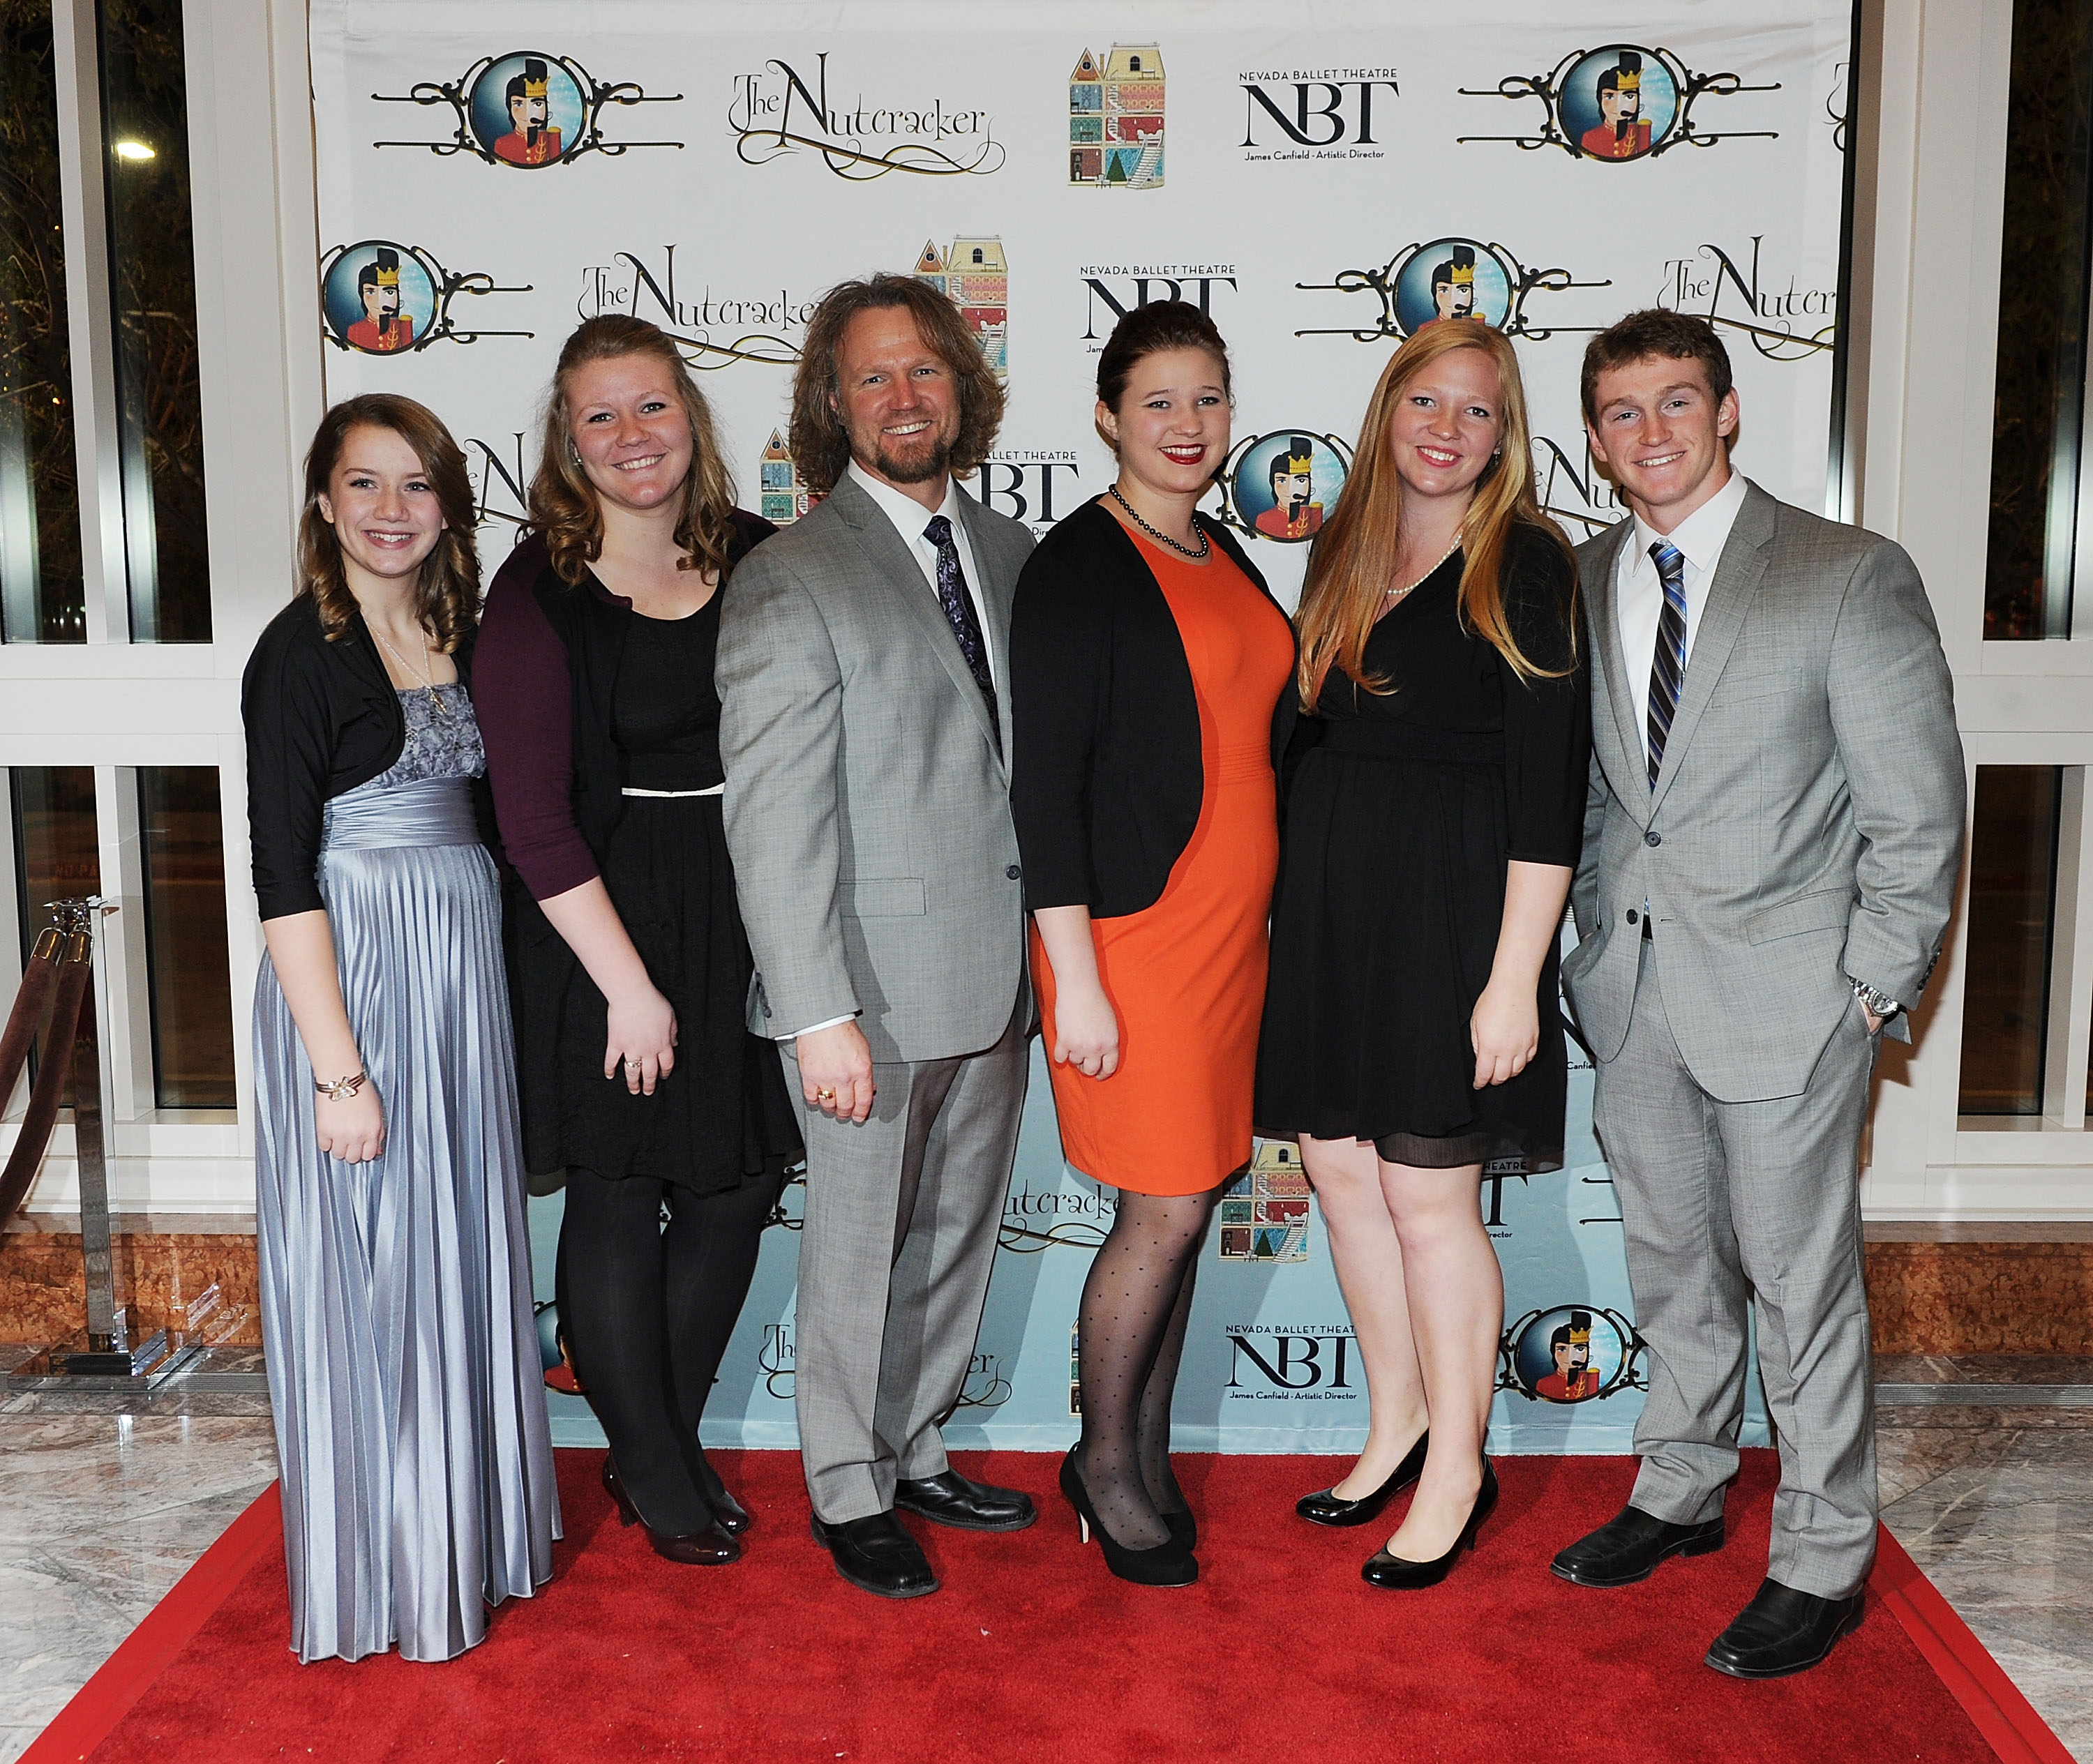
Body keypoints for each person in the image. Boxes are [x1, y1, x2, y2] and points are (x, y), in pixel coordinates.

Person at [1550, 310, 1963, 1678]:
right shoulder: (1590, 570)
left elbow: (1917, 811)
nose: (1651, 431)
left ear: (1729, 411)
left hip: (1794, 995)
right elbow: (1617, 796)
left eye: (1677, 402)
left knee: (1799, 1282)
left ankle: (1824, 1551)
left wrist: (1869, 986)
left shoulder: (1845, 574)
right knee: (1670, 1263)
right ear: (1597, 437)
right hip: (1635, 987)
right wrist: (1586, 957)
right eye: (1621, 411)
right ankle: (1679, 1483)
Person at [717, 273, 1037, 1601]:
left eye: (925, 370)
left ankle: (916, 1444)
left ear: (961, 385)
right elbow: (774, 819)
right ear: (830, 405)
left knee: (957, 1231)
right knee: (854, 1249)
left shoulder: (1017, 553)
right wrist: (815, 1009)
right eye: (872, 377)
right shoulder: (793, 575)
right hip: (864, 997)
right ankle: (848, 1488)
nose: (904, 396)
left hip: (995, 975)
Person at [1256, 322, 1589, 1590]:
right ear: (1388, 408)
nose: (1449, 428)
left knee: (1427, 1196)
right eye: (1427, 400)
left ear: (1509, 436)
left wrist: (1514, 978)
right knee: (1339, 1167)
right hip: (1335, 907)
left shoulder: (1531, 564)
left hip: (1456, 913)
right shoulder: (1345, 544)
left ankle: (1459, 1461)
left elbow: (1548, 791)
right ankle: (1393, 1418)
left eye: (1481, 411)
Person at [474, 315, 802, 1569]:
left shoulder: (765, 557)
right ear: (568, 440)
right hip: (595, 921)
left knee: (735, 1182)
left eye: (651, 406)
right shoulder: (538, 592)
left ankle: (646, 1431)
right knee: (619, 1186)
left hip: (746, 905)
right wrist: (629, 988)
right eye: (600, 415)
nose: (630, 436)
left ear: (692, 418)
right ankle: (660, 1460)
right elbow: (533, 815)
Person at [243, 393, 559, 1663]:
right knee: (377, 1276)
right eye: (362, 484)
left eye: (416, 484)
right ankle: (391, 1568)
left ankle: (467, 1534)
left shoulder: (455, 625)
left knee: (455, 1252)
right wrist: (338, 1072)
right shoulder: (299, 655)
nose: (389, 510)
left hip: (456, 985)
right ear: (323, 502)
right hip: (359, 984)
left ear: (449, 503)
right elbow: (281, 879)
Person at [1011, 301, 1296, 1586]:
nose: (1189, 426)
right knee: (1166, 1203)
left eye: (1210, 398)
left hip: (1233, 939)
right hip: (1134, 940)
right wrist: (1073, 976)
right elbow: (1046, 792)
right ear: (1108, 415)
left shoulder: (1221, 548)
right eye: (1161, 401)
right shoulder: (1077, 568)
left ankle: (1143, 1441)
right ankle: (1101, 1464)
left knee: (1189, 1202)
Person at [1581, 53, 1652, 160]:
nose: (1619, 106)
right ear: (1600, 99)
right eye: (1610, 97)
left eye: (1629, 97)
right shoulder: (1590, 137)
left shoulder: (1642, 132)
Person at [494, 59, 562, 165]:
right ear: (509, 107)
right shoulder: (502, 143)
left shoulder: (551, 138)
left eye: (537, 104)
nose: (527, 113)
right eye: (519, 104)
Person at [1254, 437, 1325, 539]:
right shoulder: (1264, 519)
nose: (1290, 489)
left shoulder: (1314, 515)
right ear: (1273, 483)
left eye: (1300, 481)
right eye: (1282, 481)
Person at [344, 249, 413, 354]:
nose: (380, 301)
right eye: (371, 292)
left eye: (389, 292)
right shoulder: (355, 330)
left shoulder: (403, 326)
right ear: (362, 295)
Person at [1535, 1312, 1600, 1401]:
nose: (1570, 1357)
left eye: (1580, 1349)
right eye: (1562, 1349)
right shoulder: (1544, 1383)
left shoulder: (1592, 1380)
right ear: (1553, 1352)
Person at [1430, 246, 1480, 324]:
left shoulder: (1478, 328)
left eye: (1463, 291)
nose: (1452, 299)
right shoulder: (1425, 329)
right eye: (1444, 290)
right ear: (1435, 293)